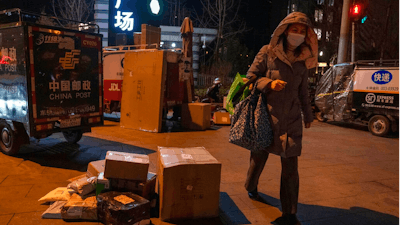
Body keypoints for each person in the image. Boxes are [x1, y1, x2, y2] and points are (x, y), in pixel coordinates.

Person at [244, 12, 318, 225]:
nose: (298, 34)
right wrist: (269, 83)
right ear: (285, 30)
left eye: (302, 31)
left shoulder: (304, 60)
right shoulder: (268, 52)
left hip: (292, 120)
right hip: (266, 118)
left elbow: (303, 91)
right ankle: (251, 186)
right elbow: (250, 78)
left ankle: (289, 212)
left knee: (290, 168)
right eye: (294, 29)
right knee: (258, 158)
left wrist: (308, 114)